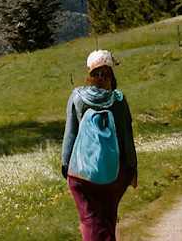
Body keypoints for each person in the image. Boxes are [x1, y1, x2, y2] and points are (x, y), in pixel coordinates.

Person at [61, 49, 137, 241]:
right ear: (111, 73)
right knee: (108, 219)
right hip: (113, 173)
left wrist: (66, 167)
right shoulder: (118, 100)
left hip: (81, 173)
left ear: (89, 73)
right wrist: (132, 169)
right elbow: (126, 137)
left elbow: (70, 134)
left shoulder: (77, 97)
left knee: (90, 221)